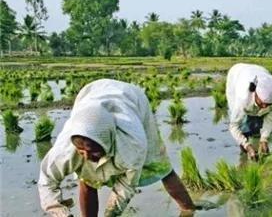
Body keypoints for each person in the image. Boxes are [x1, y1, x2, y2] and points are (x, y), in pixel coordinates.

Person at [38, 79, 197, 217]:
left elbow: (126, 186)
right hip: (90, 95)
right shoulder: (65, 149)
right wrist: (61, 213)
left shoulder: (132, 144)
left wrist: (110, 214)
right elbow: (46, 182)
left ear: (107, 140)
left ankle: (188, 209)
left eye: (93, 151)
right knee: (87, 177)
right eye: (81, 152)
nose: (87, 156)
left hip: (131, 100)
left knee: (160, 165)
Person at [226, 63, 272, 161]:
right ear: (255, 93)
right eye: (262, 103)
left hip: (259, 71)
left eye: (268, 104)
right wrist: (247, 145)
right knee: (244, 126)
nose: (264, 107)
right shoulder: (242, 98)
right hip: (236, 75)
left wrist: (264, 139)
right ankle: (246, 155)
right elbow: (234, 126)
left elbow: (271, 120)